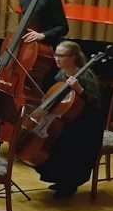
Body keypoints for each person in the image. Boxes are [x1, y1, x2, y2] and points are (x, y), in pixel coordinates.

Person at [34, 41, 104, 198]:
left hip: (88, 124)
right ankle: (61, 180)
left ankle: (69, 184)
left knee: (70, 146)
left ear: (73, 57)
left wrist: (79, 89)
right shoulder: (61, 74)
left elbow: (96, 104)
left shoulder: (85, 76)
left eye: (61, 56)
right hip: (68, 119)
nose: (57, 59)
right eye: (56, 55)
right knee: (54, 144)